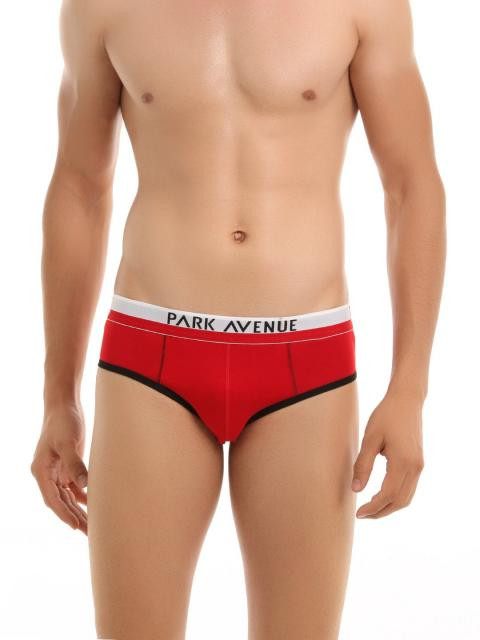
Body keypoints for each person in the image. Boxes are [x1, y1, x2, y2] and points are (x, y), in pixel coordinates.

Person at [30, 0, 446, 638]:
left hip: (306, 360)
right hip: (151, 356)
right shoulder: (102, 5)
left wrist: (410, 389)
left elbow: (412, 185)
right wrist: (58, 396)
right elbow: (79, 189)